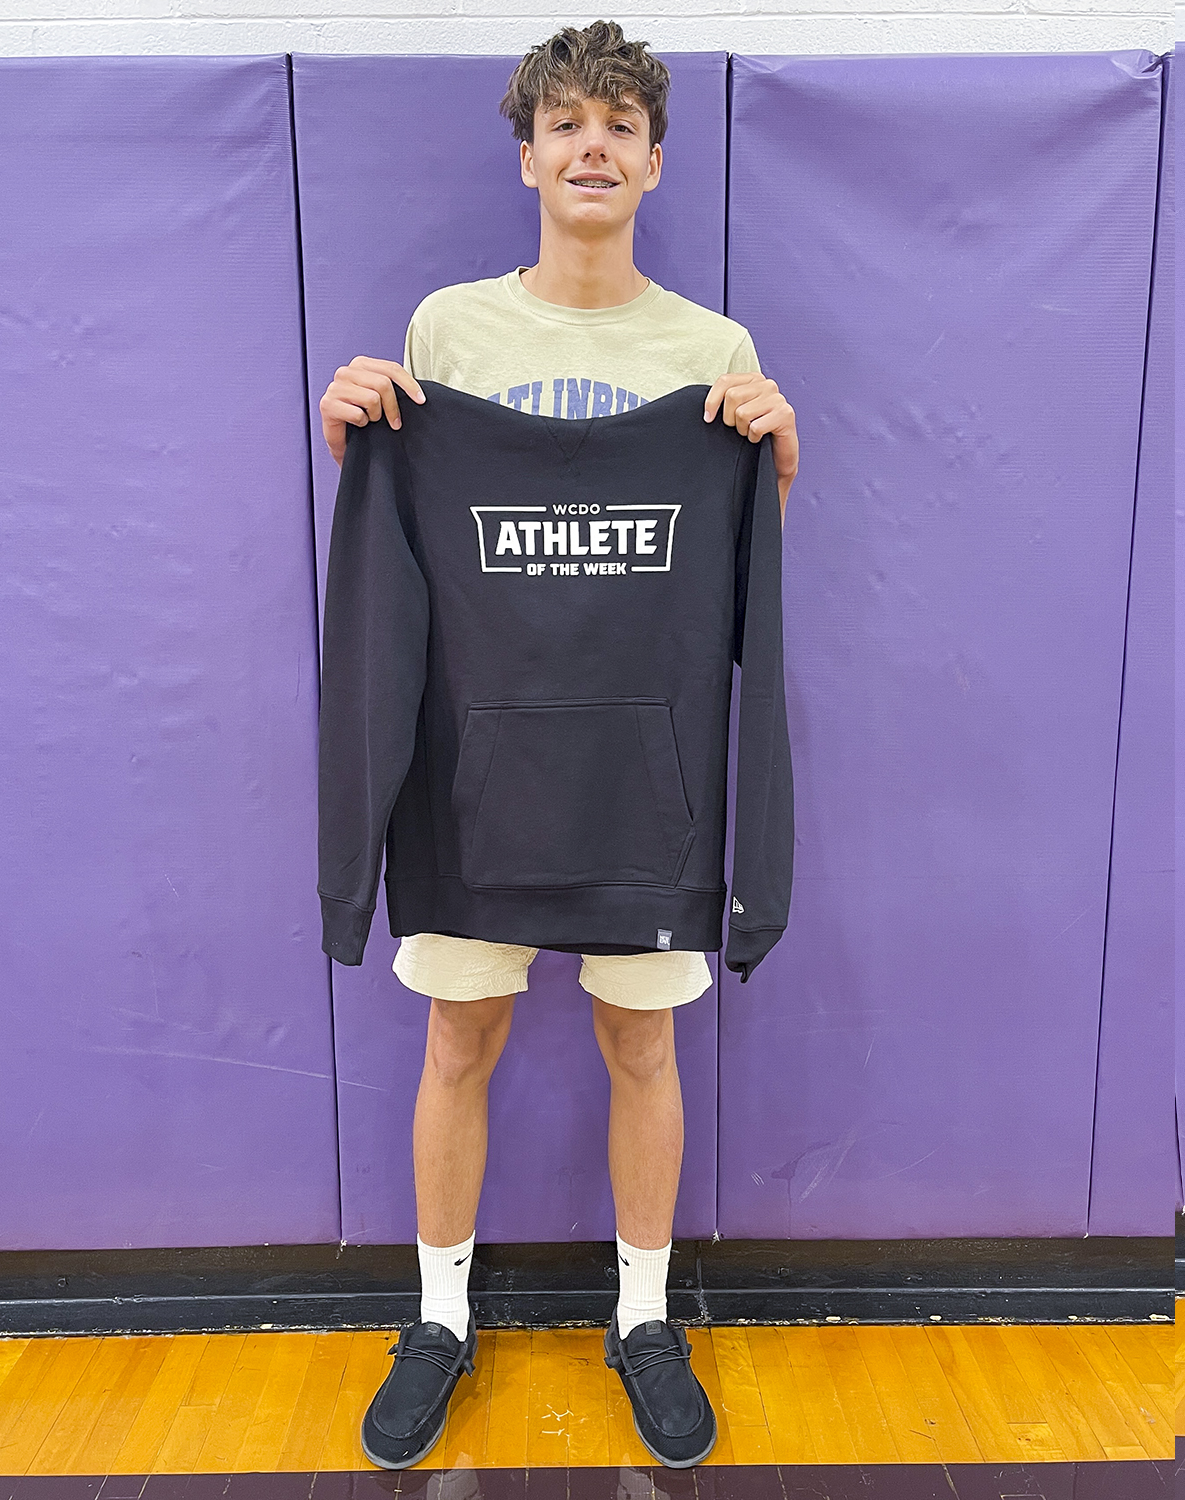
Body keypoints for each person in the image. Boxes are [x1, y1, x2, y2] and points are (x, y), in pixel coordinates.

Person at [316, 20, 801, 1472]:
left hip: (641, 785)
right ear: (528, 153)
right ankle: (441, 1316)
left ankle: (643, 1316)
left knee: (638, 1042)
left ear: (655, 162)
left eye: (621, 127)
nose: (593, 146)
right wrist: (359, 436)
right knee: (457, 1036)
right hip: (476, 773)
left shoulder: (711, 351)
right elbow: (408, 548)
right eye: (568, 123)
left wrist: (776, 458)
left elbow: (739, 582)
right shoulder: (446, 331)